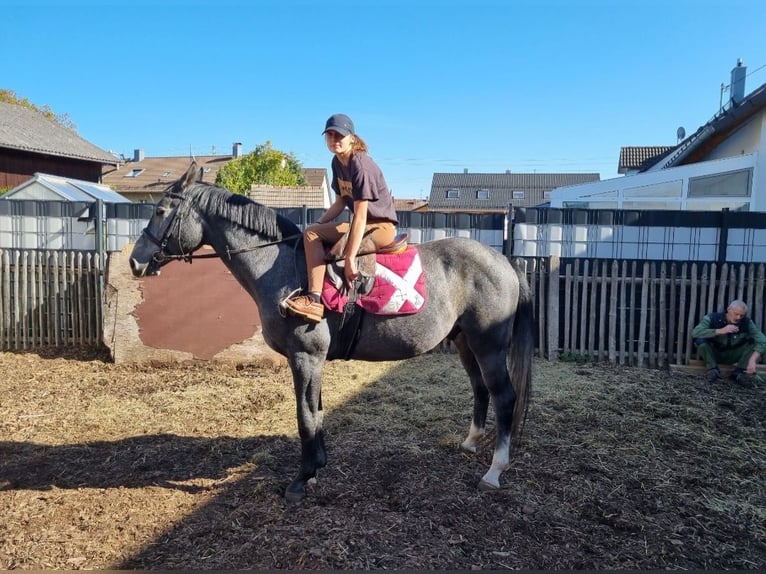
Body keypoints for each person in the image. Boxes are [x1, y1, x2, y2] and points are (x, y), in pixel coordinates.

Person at [284, 113, 398, 323]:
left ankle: (314, 300)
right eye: (330, 135)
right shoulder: (337, 162)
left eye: (339, 136)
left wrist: (348, 259)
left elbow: (361, 215)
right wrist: (318, 224)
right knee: (311, 233)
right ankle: (320, 295)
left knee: (319, 238)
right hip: (361, 223)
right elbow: (339, 202)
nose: (334, 140)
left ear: (352, 138)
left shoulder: (360, 165)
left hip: (380, 227)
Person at [691, 299, 766, 383]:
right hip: (715, 354)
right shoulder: (712, 318)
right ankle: (713, 370)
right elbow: (695, 333)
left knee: (753, 342)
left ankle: (739, 372)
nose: (738, 318)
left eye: (741, 315)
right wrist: (720, 331)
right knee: (700, 341)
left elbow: (763, 340)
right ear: (729, 309)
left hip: (734, 355)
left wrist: (752, 360)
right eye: (736, 314)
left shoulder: (746, 322)